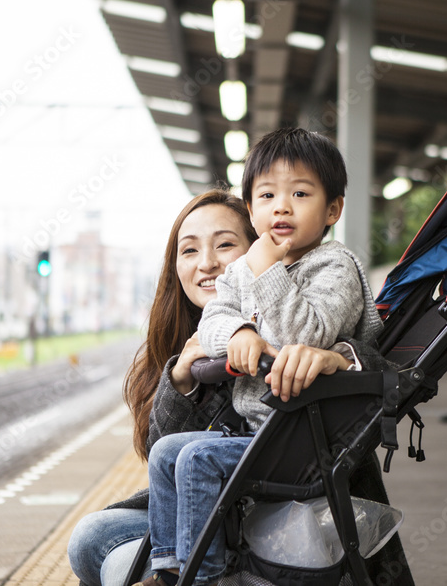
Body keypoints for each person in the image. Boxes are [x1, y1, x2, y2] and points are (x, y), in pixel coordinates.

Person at [67, 188, 415, 586]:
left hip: (282, 511)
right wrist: (180, 380)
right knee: (89, 538)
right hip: (209, 510)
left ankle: (194, 576)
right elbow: (160, 459)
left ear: (260, 248)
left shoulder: (301, 304)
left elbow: (378, 361)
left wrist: (338, 357)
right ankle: (173, 571)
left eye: (226, 245)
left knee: (116, 567)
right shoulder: (194, 336)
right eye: (190, 251)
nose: (208, 265)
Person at [143, 128, 383, 586]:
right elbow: (210, 321)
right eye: (268, 195)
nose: (283, 206)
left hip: (306, 437)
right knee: (166, 452)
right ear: (251, 211)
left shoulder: (336, 267)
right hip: (257, 433)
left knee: (194, 459)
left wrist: (268, 268)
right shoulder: (241, 270)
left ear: (333, 209)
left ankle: (205, 577)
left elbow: (303, 333)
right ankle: (170, 568)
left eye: (300, 193)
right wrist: (238, 330)